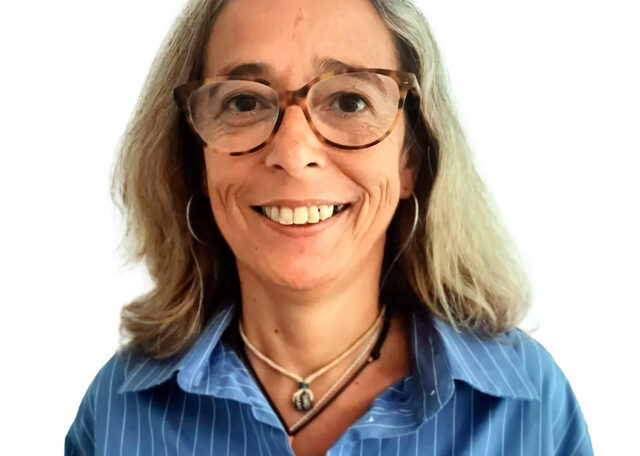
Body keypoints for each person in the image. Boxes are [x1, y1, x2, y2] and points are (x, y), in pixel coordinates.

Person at [65, 0, 594, 454]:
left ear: (410, 159)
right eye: (244, 102)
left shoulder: (529, 404)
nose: (294, 154)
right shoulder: (116, 411)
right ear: (197, 161)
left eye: (349, 101)